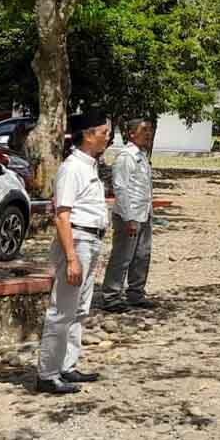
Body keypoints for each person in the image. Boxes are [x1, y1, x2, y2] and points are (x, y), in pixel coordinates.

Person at [36, 110, 111, 395]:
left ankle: (67, 365)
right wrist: (70, 258)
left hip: (90, 241)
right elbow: (62, 215)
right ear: (88, 135)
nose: (107, 137)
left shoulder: (90, 165)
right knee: (62, 310)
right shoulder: (72, 168)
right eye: (103, 132)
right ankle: (48, 373)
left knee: (79, 309)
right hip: (77, 240)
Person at [100, 117, 157, 313]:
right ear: (132, 134)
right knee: (122, 257)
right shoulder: (126, 157)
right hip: (129, 215)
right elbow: (121, 188)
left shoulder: (141, 156)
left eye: (149, 130)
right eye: (144, 130)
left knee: (142, 256)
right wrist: (128, 218)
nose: (148, 134)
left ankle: (136, 294)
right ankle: (111, 296)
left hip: (144, 213)